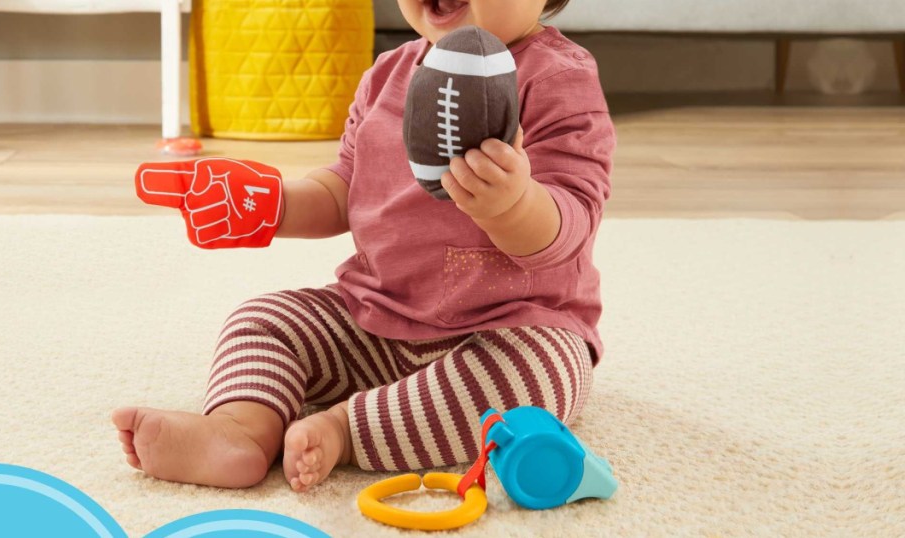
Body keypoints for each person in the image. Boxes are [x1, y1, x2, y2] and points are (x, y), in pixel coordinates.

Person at [113, 0, 615, 492]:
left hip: (509, 326)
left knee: (538, 379)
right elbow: (343, 187)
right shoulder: (386, 74)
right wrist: (270, 205)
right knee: (263, 319)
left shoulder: (556, 78)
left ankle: (348, 430)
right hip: (372, 319)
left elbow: (572, 219)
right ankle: (240, 429)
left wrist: (515, 205)